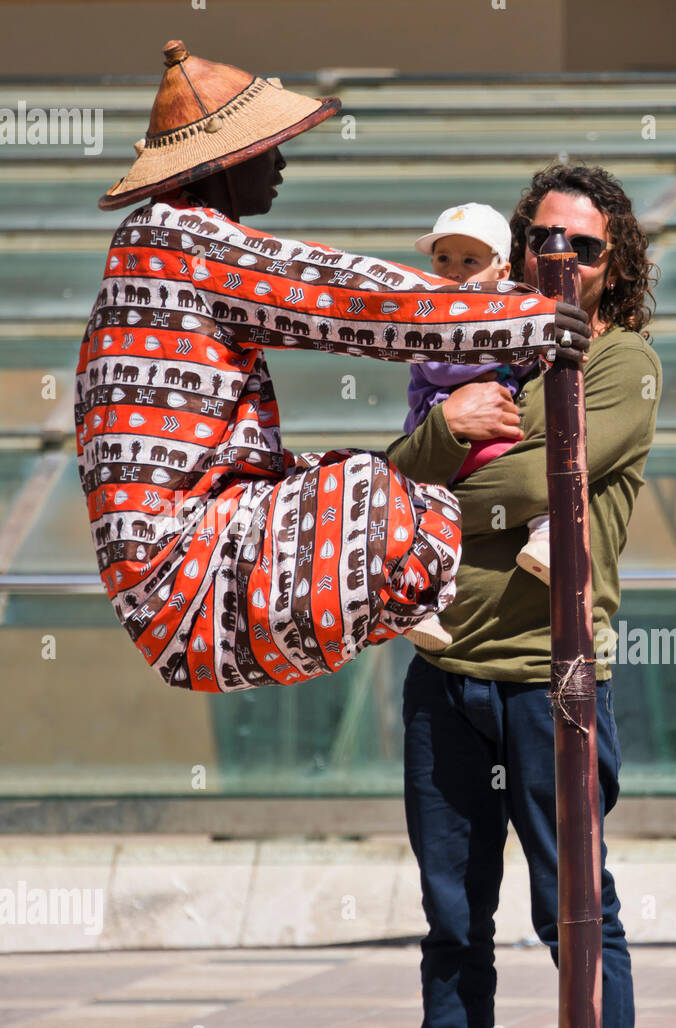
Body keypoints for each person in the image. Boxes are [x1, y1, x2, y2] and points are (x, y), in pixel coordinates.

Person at [78, 41, 586, 693]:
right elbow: (346, 300)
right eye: (269, 149)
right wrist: (519, 317)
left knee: (379, 485)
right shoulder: (183, 245)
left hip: (173, 580)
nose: (281, 164)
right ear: (227, 165)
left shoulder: (147, 252)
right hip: (188, 575)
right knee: (392, 498)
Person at [358, 163, 660, 1028]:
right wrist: (449, 433)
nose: (556, 257)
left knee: (575, 912)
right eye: (542, 239)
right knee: (452, 919)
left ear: (611, 256)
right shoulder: (472, 346)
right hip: (446, 676)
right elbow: (396, 474)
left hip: (554, 683)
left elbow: (543, 478)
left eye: (578, 243)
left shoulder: (622, 363)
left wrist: (455, 465)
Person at [401, 202, 551, 654]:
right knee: (426, 515)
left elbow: (526, 373)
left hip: (489, 434)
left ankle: (543, 537)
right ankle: (420, 604)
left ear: (501, 270)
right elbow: (442, 371)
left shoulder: (505, 313)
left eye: (471, 261)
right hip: (444, 434)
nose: (455, 272)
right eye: (444, 259)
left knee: (532, 470)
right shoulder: (428, 316)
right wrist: (508, 351)